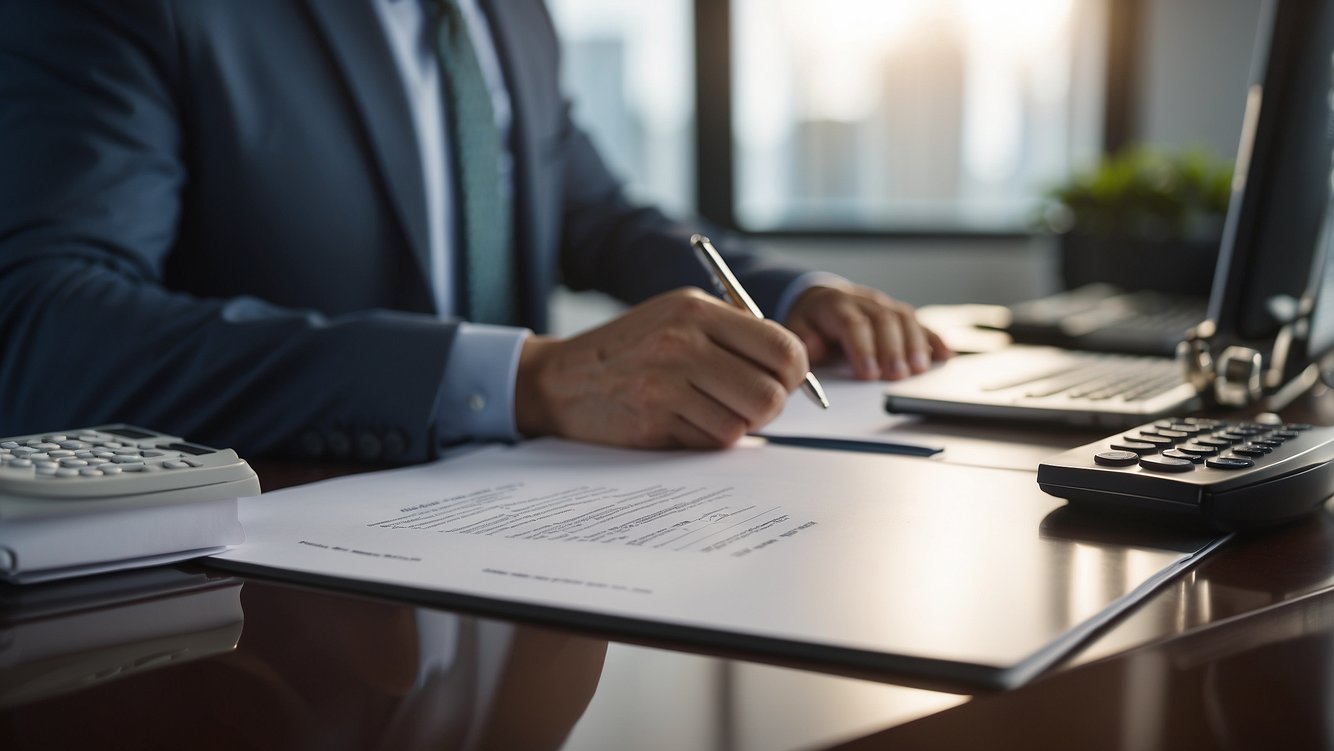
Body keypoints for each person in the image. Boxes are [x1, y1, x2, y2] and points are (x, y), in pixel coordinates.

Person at [0, 0, 949, 464]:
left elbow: (597, 214)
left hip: (518, 554)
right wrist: (528, 378)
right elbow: (47, 328)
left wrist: (791, 294)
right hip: (251, 599)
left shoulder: (509, 15)